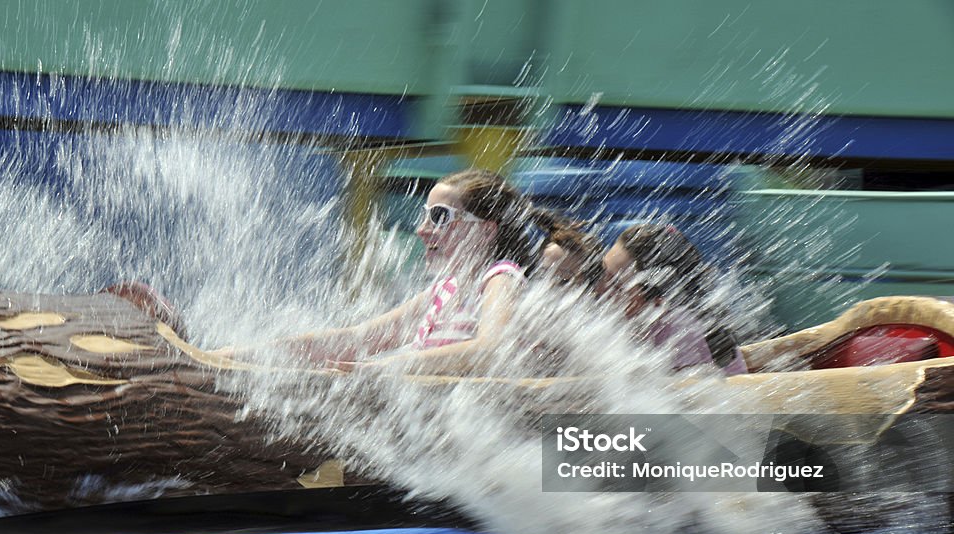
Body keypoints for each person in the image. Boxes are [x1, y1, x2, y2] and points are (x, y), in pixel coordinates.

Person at [223, 169, 543, 375]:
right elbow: (353, 340)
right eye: (425, 216)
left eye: (440, 217)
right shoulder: (442, 293)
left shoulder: (500, 279)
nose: (421, 230)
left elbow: (491, 349)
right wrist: (240, 356)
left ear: (485, 230)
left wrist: (381, 369)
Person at [597, 224, 748, 375]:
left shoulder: (679, 331)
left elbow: (684, 394)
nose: (600, 288)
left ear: (657, 300)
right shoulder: (642, 322)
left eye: (616, 286)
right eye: (600, 272)